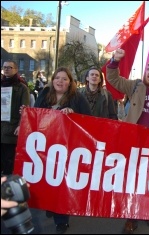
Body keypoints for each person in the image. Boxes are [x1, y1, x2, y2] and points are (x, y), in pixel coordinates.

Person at [106, 48, 149, 234]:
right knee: (133, 179)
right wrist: (114, 61)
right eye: (148, 68)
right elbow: (113, 79)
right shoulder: (137, 86)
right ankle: (132, 216)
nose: (148, 72)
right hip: (134, 140)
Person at [33, 67, 91, 234]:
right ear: (52, 80)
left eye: (64, 79)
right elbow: (36, 115)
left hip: (67, 149)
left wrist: (73, 115)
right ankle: (50, 206)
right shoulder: (44, 94)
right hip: (45, 147)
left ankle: (61, 220)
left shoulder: (77, 98)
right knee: (47, 180)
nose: (60, 81)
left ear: (70, 82)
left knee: (62, 183)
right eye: (57, 78)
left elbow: (88, 121)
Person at [1, 60, 30, 175]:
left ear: (16, 70)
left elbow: (25, 110)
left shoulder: (22, 88)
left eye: (10, 67)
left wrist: (20, 125)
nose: (6, 69)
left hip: (11, 129)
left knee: (9, 161)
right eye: (4, 67)